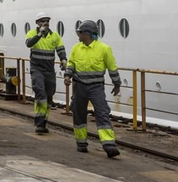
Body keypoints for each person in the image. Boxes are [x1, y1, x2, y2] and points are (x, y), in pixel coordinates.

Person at [65, 20, 122, 157]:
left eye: (80, 32)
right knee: (79, 114)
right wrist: (67, 75)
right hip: (79, 86)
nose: (78, 35)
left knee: (102, 112)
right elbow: (71, 64)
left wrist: (117, 83)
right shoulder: (76, 48)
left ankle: (109, 144)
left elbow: (112, 67)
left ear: (87, 34)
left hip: (96, 87)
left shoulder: (104, 49)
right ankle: (81, 142)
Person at [24, 14, 67, 133]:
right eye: (43, 21)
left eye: (47, 21)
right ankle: (39, 123)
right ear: (37, 22)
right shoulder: (32, 33)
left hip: (49, 70)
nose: (46, 23)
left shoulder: (54, 36)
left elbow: (60, 48)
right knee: (40, 92)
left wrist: (63, 59)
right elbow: (29, 44)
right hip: (37, 69)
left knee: (49, 95)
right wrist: (39, 34)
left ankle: (44, 122)